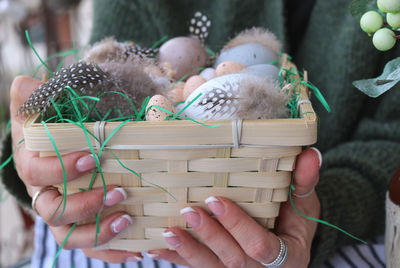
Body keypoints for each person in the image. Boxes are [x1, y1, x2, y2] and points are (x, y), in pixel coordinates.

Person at [2, 0, 400, 267]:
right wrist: (44, 155)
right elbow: (112, 80)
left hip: (352, 232)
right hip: (134, 224)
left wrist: (323, 208)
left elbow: (391, 136)